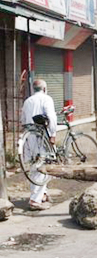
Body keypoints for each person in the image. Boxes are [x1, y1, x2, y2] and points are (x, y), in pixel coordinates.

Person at [21, 80, 57, 210]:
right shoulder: (46, 99)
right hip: (41, 136)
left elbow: (23, 120)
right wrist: (53, 134)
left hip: (28, 135)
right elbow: (52, 117)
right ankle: (34, 201)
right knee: (42, 165)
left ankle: (42, 194)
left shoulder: (27, 101)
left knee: (34, 166)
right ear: (44, 88)